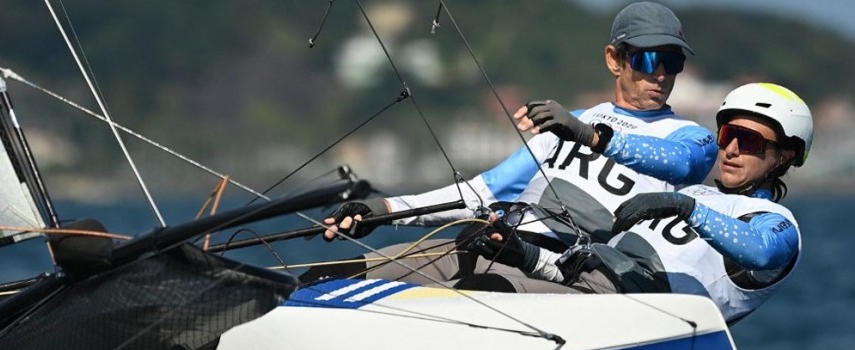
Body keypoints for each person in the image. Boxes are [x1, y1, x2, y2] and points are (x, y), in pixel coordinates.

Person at [301, 1, 717, 291]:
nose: (660, 73)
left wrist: (588, 135)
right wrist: (383, 211)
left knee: (468, 291)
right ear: (615, 59)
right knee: (332, 276)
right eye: (647, 59)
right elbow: (482, 194)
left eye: (672, 61)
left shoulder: (689, 137)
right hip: (488, 240)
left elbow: (682, 166)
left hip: (562, 272)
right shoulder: (571, 123)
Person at [463, 82, 811, 324]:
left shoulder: (775, 220)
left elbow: (764, 251)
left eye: (748, 141)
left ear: (785, 155)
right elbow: (586, 268)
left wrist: (684, 208)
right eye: (727, 135)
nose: (731, 149)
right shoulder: (691, 194)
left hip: (636, 317)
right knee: (450, 267)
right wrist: (523, 254)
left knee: (477, 293)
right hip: (578, 288)